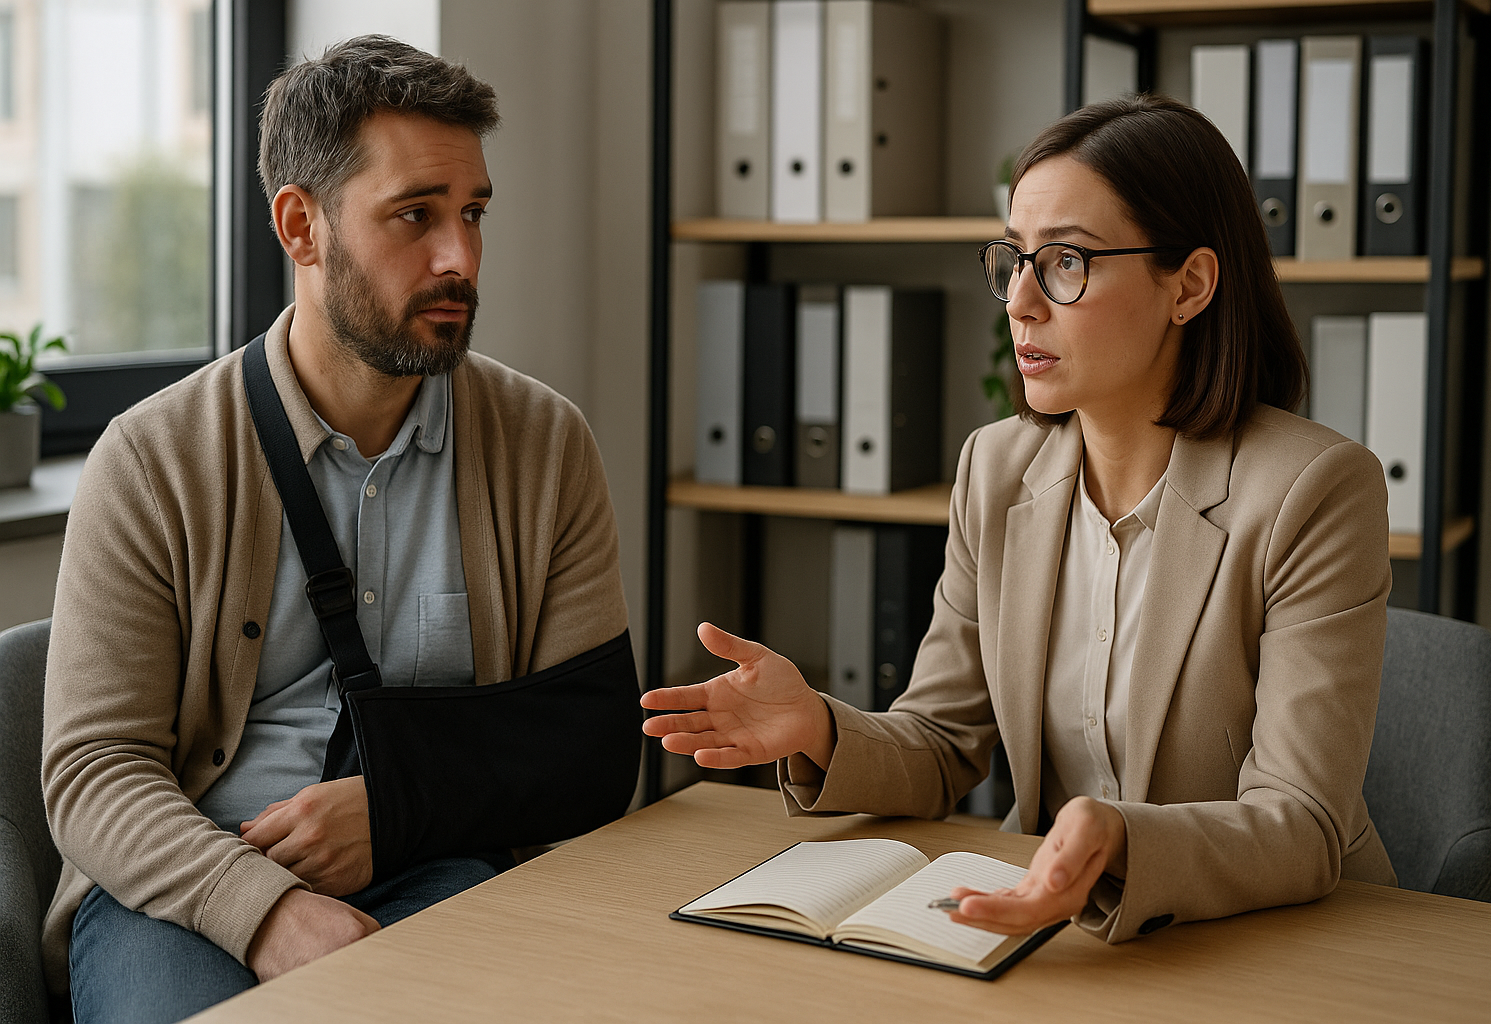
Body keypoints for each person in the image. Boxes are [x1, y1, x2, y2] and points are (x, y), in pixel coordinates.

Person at [643, 94, 1398, 944]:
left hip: (1278, 938)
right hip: (1054, 929)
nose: (1022, 302)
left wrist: (1119, 839)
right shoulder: (995, 470)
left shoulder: (1315, 490)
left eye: (1068, 261)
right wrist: (819, 725)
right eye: (1015, 259)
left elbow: (1300, 822)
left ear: (1188, 285)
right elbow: (940, 741)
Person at [42, 36, 634, 1022]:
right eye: (415, 216)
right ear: (300, 226)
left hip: (436, 867)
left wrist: (399, 806)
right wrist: (265, 909)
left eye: (473, 213)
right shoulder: (151, 458)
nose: (461, 257)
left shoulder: (545, 443)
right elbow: (93, 774)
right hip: (184, 894)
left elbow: (590, 745)